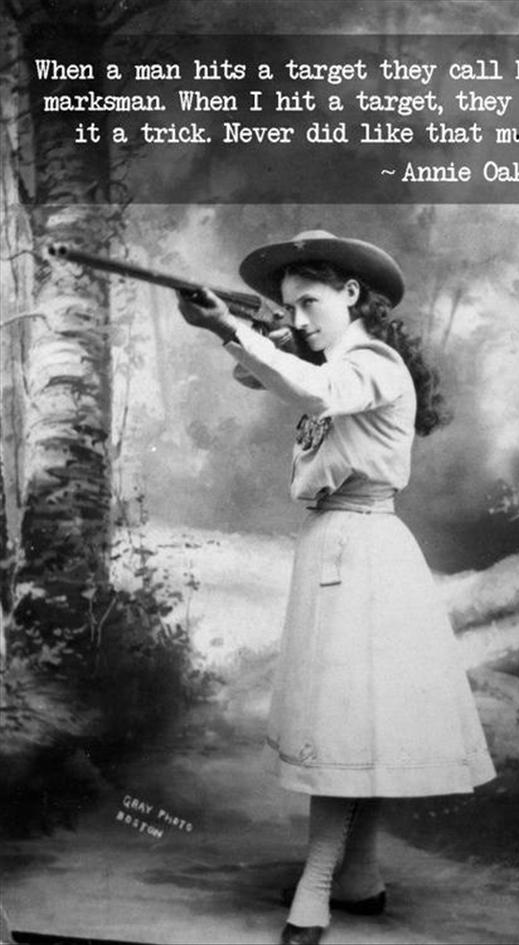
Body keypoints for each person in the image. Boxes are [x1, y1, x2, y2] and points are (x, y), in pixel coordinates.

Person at [178, 230, 496, 945]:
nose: (299, 318)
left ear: (352, 294)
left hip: (366, 549)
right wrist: (254, 334)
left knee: (346, 727)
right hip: (334, 542)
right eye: (289, 307)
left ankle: (316, 887)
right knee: (356, 726)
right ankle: (360, 876)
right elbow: (266, 376)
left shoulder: (371, 363)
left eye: (310, 303)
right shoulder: (332, 363)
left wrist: (232, 328)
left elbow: (310, 386)